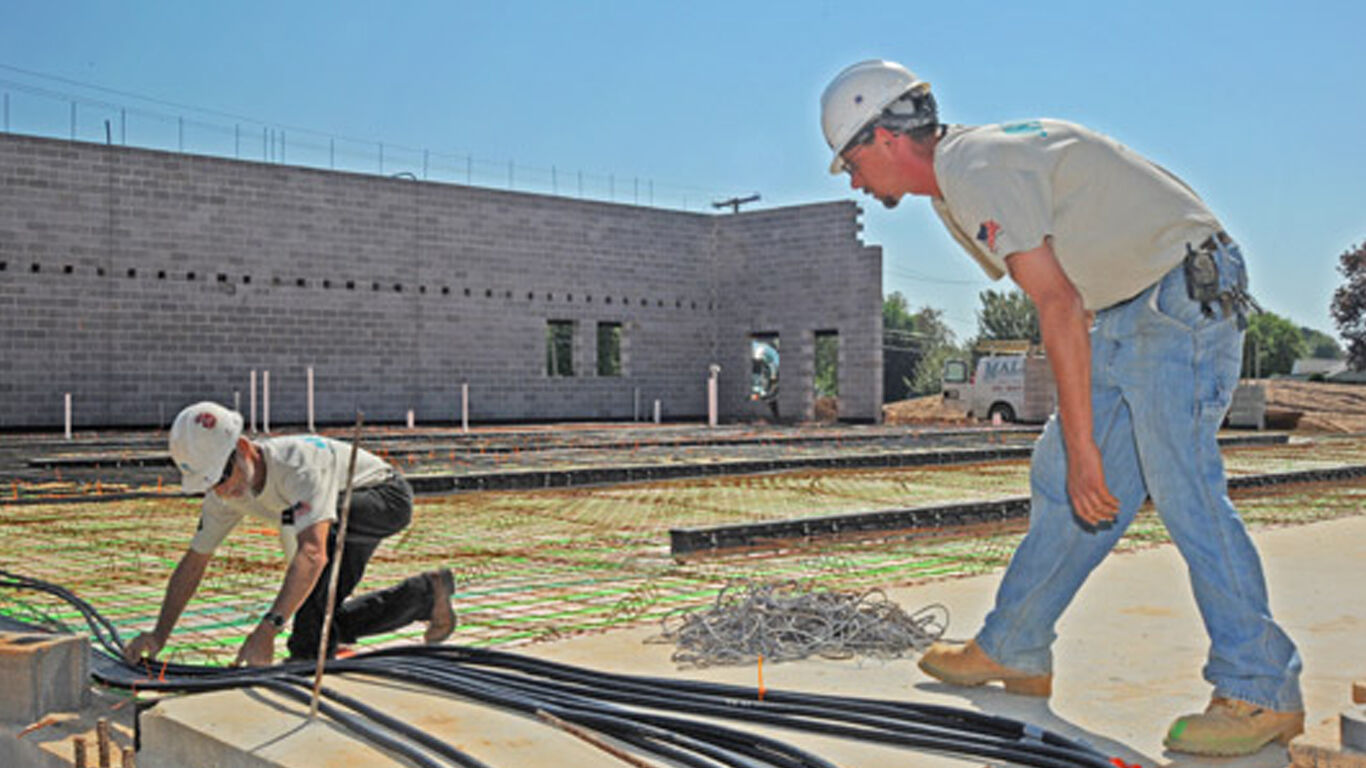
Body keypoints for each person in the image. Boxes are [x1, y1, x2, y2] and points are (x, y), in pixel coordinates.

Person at [819, 60, 1303, 756]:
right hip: (1131, 307)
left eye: (852, 163)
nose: (856, 180)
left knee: (1183, 488)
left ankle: (1262, 688)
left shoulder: (973, 168)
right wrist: (1077, 452)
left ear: (883, 137)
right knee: (1064, 485)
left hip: (1177, 300)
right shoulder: (958, 182)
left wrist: (1088, 447)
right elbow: (1068, 290)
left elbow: (1056, 302)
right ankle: (1014, 645)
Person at [123, 401, 455, 667]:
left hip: (383, 497)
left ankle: (306, 656)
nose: (222, 492)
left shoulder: (298, 467)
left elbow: (313, 553)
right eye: (209, 485)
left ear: (243, 447)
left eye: (223, 478)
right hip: (339, 513)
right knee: (323, 625)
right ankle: (426, 595)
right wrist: (159, 634)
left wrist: (267, 629)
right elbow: (193, 564)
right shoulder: (223, 493)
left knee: (306, 545)